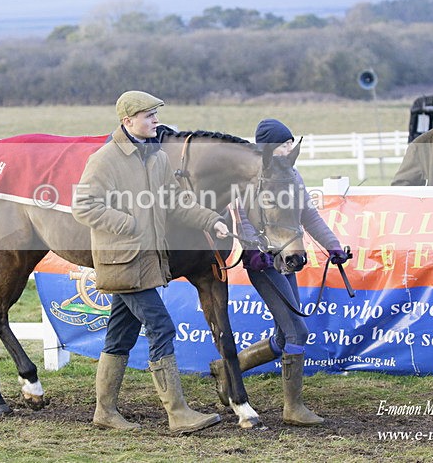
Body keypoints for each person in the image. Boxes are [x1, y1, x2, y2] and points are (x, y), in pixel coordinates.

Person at [72, 90, 230, 434]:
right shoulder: (105, 159)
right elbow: (83, 206)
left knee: (119, 335)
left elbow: (176, 202)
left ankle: (104, 412)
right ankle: (177, 412)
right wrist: (128, 223)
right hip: (123, 261)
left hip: (148, 262)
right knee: (161, 326)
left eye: (156, 115)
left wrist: (211, 219)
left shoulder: (157, 159)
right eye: (149, 116)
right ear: (128, 121)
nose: (156, 121)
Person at [210, 118, 349, 426]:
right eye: (284, 144)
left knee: (284, 335)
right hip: (263, 262)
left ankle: (225, 368)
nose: (290, 148)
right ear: (270, 149)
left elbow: (308, 216)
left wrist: (334, 247)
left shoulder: (293, 175)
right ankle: (293, 408)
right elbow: (240, 214)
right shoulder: (248, 176)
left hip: (287, 259)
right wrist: (251, 249)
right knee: (297, 331)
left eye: (290, 143)